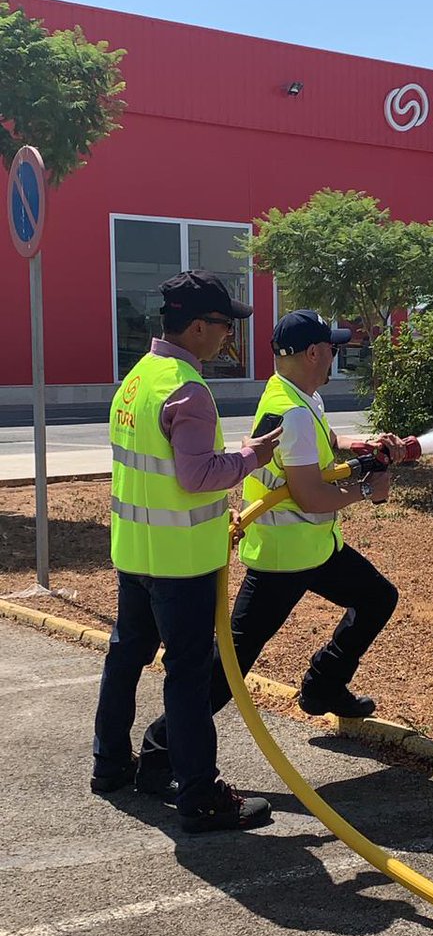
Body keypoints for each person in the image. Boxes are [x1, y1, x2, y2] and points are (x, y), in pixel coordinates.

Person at [133, 309, 404, 791]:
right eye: (332, 348)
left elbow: (326, 442)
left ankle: (323, 685)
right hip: (283, 558)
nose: (334, 356)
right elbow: (310, 496)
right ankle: (158, 755)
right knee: (228, 670)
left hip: (314, 547)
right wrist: (368, 491)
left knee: (377, 598)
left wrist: (366, 444)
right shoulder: (294, 413)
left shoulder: (297, 396)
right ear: (314, 353)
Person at [90, 270, 282, 834]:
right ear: (198, 326)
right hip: (183, 564)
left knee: (125, 657)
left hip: (136, 554)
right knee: (189, 677)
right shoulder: (188, 389)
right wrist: (252, 457)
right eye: (224, 325)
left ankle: (109, 765)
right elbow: (197, 476)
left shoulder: (137, 379)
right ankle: (200, 796)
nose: (229, 336)